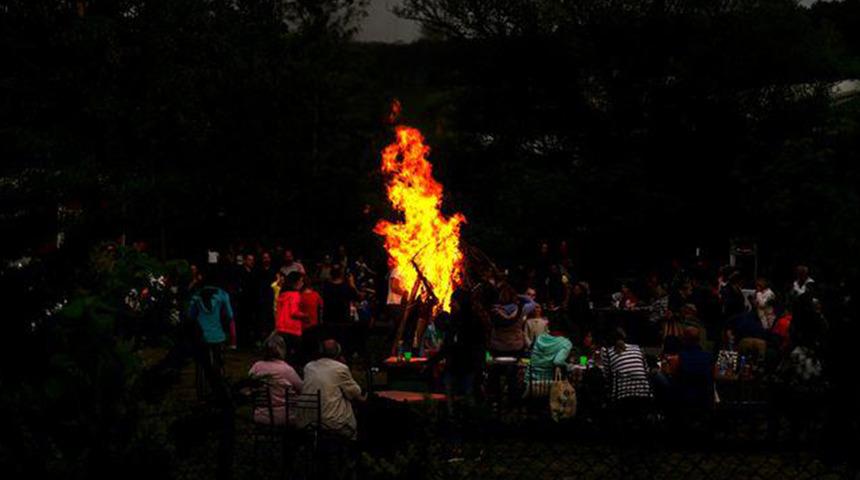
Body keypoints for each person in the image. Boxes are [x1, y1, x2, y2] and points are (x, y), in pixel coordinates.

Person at [301, 339, 365, 439]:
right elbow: (355, 392)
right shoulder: (340, 368)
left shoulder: (308, 367)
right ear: (338, 352)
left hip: (307, 420)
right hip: (331, 422)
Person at [187, 270, 234, 398]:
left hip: (201, 336)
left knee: (201, 364)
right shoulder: (223, 295)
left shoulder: (197, 295)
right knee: (218, 362)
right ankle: (220, 389)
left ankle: (201, 391)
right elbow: (230, 315)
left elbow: (190, 315)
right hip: (218, 335)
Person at [248, 334, 304, 426]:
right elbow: (301, 388)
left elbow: (249, 384)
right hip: (285, 416)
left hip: (261, 414)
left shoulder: (257, 366)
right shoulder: (287, 369)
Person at [599, 328, 652, 405]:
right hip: (644, 392)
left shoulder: (607, 352)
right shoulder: (637, 348)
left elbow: (607, 376)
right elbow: (646, 371)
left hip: (622, 395)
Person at [321, 264, 360, 349]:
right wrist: (352, 284)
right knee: (342, 343)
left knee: (330, 343)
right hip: (342, 319)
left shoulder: (326, 286)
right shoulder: (346, 287)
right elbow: (357, 297)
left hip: (329, 318)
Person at [275, 272, 307, 361]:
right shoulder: (295, 295)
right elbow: (294, 312)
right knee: (296, 354)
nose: (302, 283)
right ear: (295, 282)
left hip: (281, 327)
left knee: (284, 352)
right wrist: (305, 316)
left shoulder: (283, 294)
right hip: (293, 328)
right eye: (301, 281)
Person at [299, 275, 324, 362]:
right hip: (314, 325)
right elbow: (321, 306)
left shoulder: (299, 296)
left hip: (302, 327)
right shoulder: (316, 295)